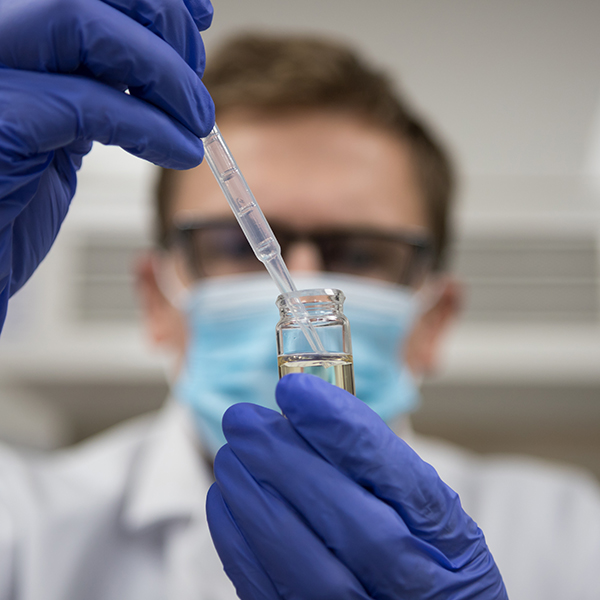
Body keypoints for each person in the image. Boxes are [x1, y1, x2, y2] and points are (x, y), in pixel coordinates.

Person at [0, 3, 598, 600]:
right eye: (236, 246)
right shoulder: (23, 527)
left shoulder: (567, 537)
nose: (306, 278)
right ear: (157, 302)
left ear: (433, 321)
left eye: (360, 254)